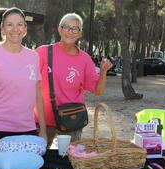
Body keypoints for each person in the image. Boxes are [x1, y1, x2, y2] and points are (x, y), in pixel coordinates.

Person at [0, 7, 47, 150]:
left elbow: (38, 95)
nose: (15, 29)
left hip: (27, 130)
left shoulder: (33, 56)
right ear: (2, 28)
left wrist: (43, 130)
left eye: (20, 24)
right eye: (10, 24)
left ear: (25, 28)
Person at [36, 13, 112, 146]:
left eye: (75, 28)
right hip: (43, 120)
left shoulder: (85, 59)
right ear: (60, 29)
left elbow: (98, 91)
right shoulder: (43, 52)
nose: (70, 32)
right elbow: (29, 82)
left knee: (70, 160)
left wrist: (104, 71)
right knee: (39, 158)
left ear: (80, 34)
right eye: (66, 27)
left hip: (72, 119)